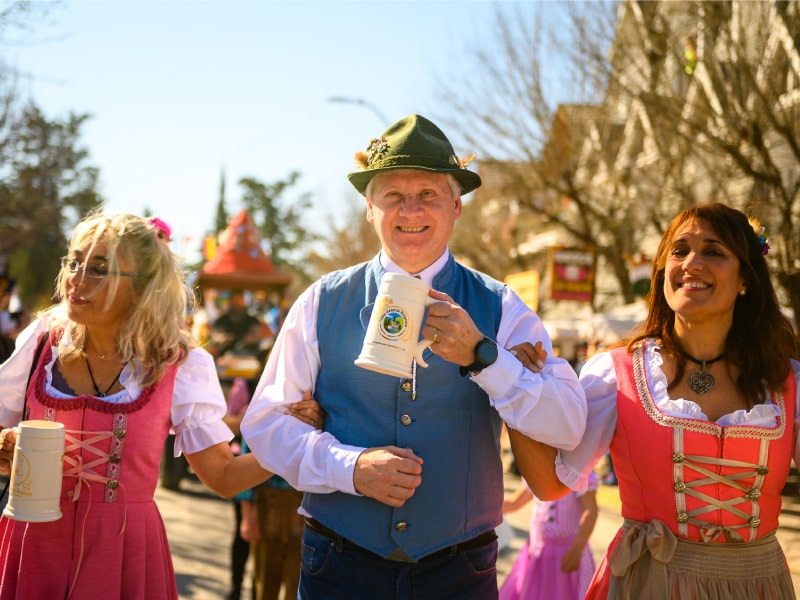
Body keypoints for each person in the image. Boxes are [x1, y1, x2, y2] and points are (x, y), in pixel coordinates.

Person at [240, 114, 586, 599]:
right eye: (393, 196)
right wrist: (348, 467)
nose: (411, 209)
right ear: (369, 207)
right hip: (339, 564)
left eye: (428, 194)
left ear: (457, 206)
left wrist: (486, 358)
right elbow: (265, 424)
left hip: (458, 571)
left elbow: (569, 425)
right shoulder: (322, 300)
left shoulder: (502, 306)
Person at [0, 211, 323, 599]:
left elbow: (222, 476)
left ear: (141, 288)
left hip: (122, 553)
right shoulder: (40, 343)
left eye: (99, 268)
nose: (76, 278)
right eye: (74, 261)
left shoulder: (178, 364)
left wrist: (295, 438)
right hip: (31, 545)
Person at [509, 203, 799, 598]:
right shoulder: (617, 372)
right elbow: (552, 483)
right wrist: (513, 388)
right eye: (679, 251)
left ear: (746, 279)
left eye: (713, 251)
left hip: (759, 584)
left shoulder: (786, 381)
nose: (692, 263)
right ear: (662, 271)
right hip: (650, 582)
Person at [499, 470, 598, 600]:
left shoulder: (579, 471)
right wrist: (482, 507)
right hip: (537, 555)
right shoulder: (539, 470)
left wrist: (578, 548)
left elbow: (591, 510)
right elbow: (514, 503)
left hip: (567, 556)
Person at [238, 439, 304, 600]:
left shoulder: (312, 416)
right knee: (266, 579)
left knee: (297, 584)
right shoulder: (260, 417)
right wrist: (247, 516)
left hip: (301, 506)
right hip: (267, 504)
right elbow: (242, 471)